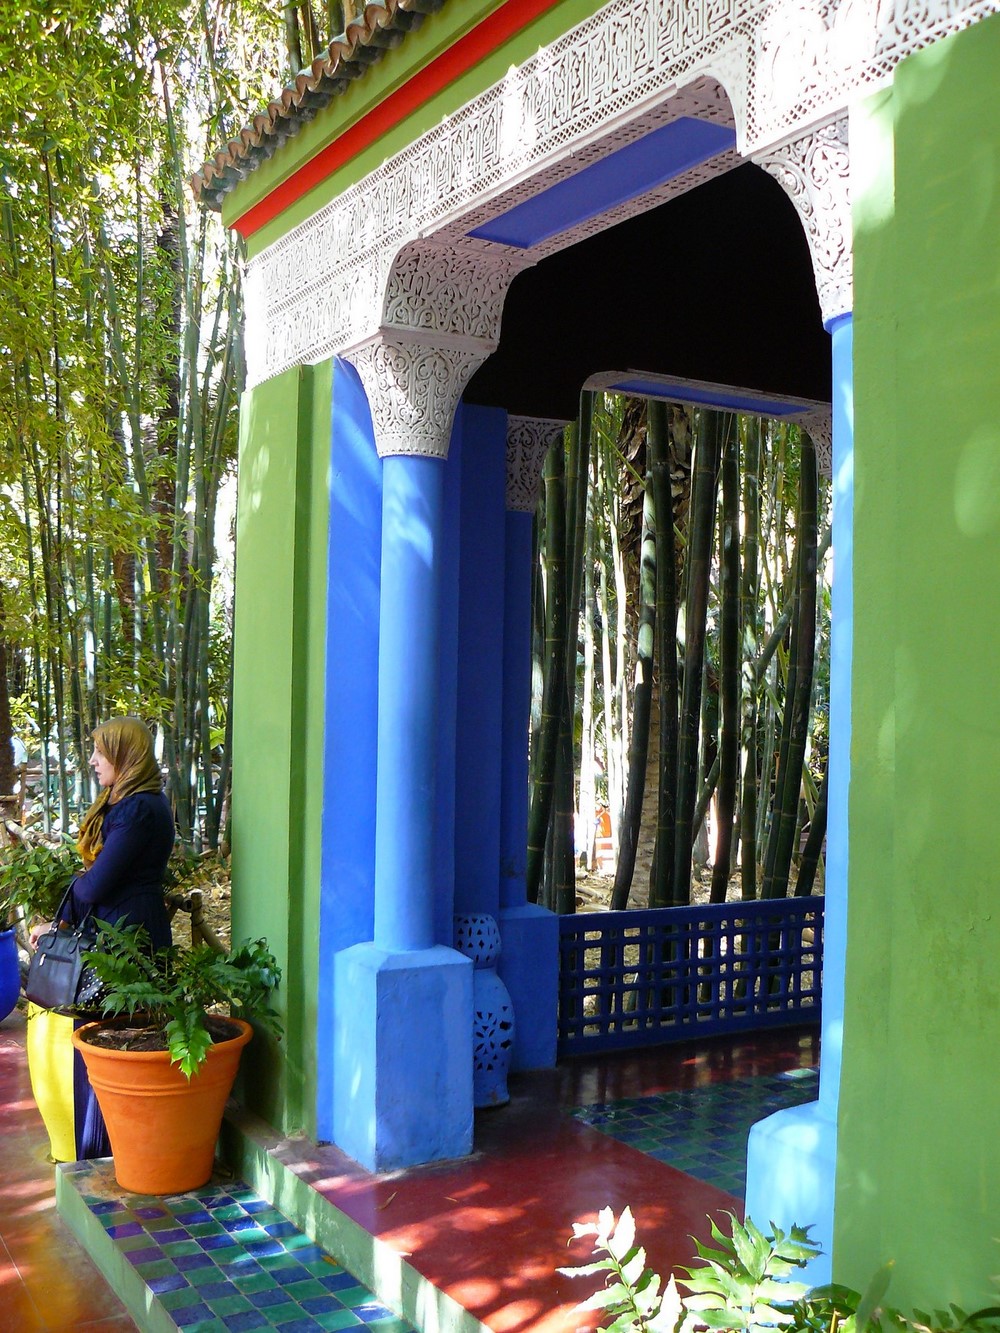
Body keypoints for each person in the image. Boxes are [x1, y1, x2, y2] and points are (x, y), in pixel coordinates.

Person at [28, 717, 175, 1159]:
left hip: (123, 938)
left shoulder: (137, 810)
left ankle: (104, 1152)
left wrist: (64, 910)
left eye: (100, 752)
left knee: (105, 1043)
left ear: (125, 757)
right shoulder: (144, 805)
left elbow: (96, 884)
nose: (92, 760)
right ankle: (118, 1149)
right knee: (119, 1038)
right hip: (128, 928)